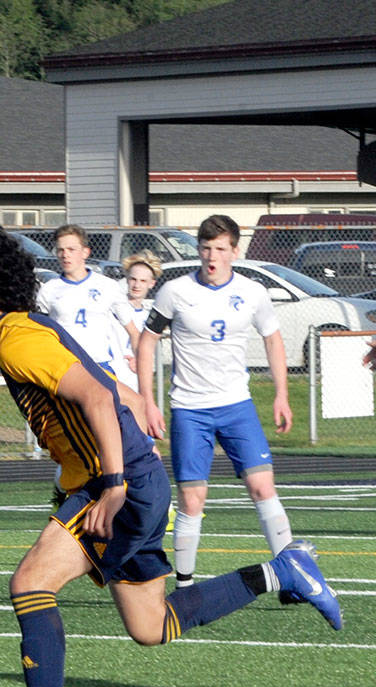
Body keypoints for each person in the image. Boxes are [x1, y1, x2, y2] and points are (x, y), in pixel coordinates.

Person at [0, 215, 340, 687]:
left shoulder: (20, 341)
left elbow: (96, 402)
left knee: (30, 584)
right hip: (126, 480)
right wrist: (137, 406)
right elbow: (103, 384)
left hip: (115, 486)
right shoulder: (26, 329)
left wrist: (116, 486)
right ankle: (283, 571)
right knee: (152, 627)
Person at [136, 215, 295, 589]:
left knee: (263, 488)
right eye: (206, 248)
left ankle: (292, 576)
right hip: (190, 410)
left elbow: (273, 339)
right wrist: (148, 401)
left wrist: (281, 394)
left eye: (220, 249)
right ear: (198, 250)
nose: (212, 256)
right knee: (192, 499)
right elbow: (146, 343)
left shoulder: (253, 292)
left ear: (234, 252)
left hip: (237, 406)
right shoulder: (175, 291)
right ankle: (185, 585)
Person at [36, 224, 140, 377]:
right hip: (65, 369)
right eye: (60, 250)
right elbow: (41, 335)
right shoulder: (49, 289)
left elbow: (133, 331)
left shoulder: (108, 286)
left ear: (85, 252)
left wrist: (139, 358)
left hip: (100, 366)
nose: (65, 255)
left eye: (71, 250)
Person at [106, 250, 161, 387]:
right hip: (114, 376)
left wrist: (142, 363)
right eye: (133, 279)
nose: (137, 285)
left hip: (136, 378)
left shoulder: (150, 314)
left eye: (143, 281)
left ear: (151, 283)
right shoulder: (114, 308)